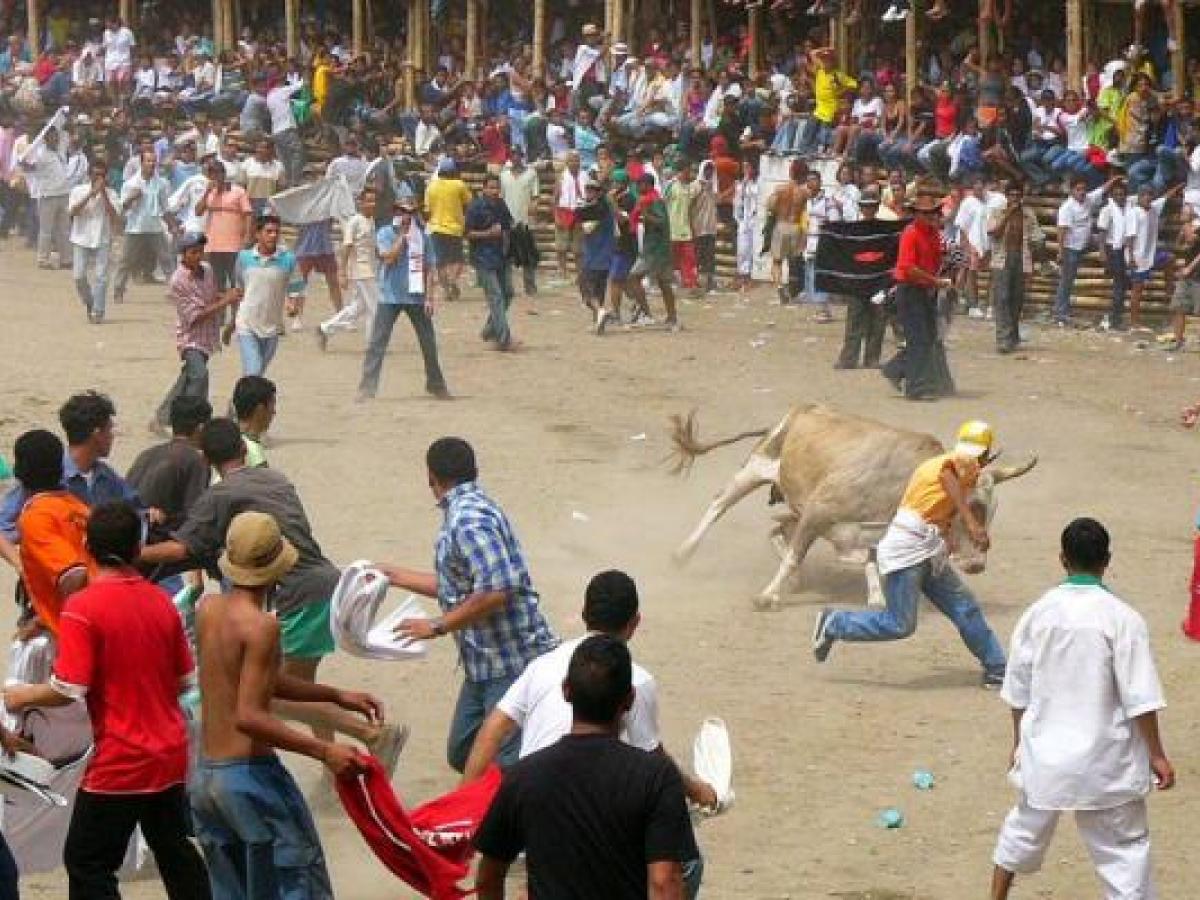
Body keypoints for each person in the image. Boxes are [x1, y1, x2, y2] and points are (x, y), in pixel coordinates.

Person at [138, 420, 405, 773]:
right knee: (298, 684)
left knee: (271, 695)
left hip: (297, 596)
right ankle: (334, 767)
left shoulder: (220, 495)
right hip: (328, 587)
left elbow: (180, 549)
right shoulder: (277, 479)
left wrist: (130, 553)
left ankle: (372, 735)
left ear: (205, 459)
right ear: (243, 448)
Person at [3, 501, 211, 900]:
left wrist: (24, 695)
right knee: (176, 853)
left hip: (121, 759)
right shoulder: (159, 601)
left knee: (87, 862)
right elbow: (184, 680)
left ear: (87, 546)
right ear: (137, 549)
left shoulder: (83, 607)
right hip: (168, 753)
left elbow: (69, 688)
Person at [463, 570, 715, 897]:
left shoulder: (523, 773)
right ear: (628, 700)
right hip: (614, 824)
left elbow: (489, 874)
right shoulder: (653, 766)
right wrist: (696, 790)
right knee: (686, 862)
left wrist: (461, 805)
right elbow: (664, 881)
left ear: (567, 692)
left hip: (539, 829)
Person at [188, 511, 380, 899]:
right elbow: (250, 715)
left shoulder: (208, 609)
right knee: (298, 883)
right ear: (278, 568)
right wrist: (324, 749)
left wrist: (334, 694)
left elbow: (256, 680)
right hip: (250, 781)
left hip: (206, 778)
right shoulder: (263, 626)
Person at [990, 518, 1173, 900]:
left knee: (1022, 831)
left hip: (1046, 759)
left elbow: (1018, 691)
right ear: (1107, 560)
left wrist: (1018, 744)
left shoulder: (1037, 614)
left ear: (1062, 558)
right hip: (1107, 765)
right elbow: (1141, 698)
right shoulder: (1124, 619)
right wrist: (1156, 754)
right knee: (1125, 855)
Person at [377, 437, 558, 772]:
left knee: (508, 763)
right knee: (464, 752)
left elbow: (496, 589)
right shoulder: (467, 511)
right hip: (484, 663)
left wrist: (437, 625)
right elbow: (462, 588)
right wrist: (393, 575)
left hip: (511, 661)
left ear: (431, 477)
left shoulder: (468, 519)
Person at [813, 421, 1008, 688]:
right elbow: (947, 477)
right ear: (985, 453)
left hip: (928, 549)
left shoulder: (957, 469)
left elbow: (941, 506)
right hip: (907, 550)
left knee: (966, 609)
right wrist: (972, 523)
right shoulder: (958, 464)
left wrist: (949, 539)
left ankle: (997, 668)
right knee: (899, 624)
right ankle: (836, 623)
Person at [358, 188, 450, 401]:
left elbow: (429, 268)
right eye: (402, 211)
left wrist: (429, 297)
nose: (407, 216)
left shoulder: (423, 236)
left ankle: (436, 384)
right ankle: (367, 388)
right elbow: (388, 258)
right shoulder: (384, 233)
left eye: (410, 211)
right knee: (377, 343)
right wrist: (402, 237)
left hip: (416, 297)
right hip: (389, 296)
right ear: (395, 212)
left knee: (428, 342)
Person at [10, 429, 95, 637]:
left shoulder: (36, 518)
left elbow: (74, 578)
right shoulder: (79, 508)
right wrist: (42, 618)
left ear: (19, 472)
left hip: (75, 636)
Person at [153, 232, 239, 431]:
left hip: (208, 336)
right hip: (190, 338)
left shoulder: (207, 270)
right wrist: (225, 301)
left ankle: (162, 416)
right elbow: (194, 317)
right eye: (193, 252)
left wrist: (227, 295)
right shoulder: (177, 281)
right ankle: (192, 420)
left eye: (200, 251)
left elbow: (211, 295)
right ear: (183, 254)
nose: (198, 256)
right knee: (199, 376)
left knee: (188, 377)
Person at [880, 192, 954, 400]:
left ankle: (896, 369)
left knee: (926, 339)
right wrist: (935, 282)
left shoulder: (933, 234)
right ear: (917, 215)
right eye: (926, 213)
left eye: (933, 213)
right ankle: (916, 388)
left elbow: (936, 260)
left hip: (925, 290)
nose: (931, 216)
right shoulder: (911, 233)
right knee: (919, 341)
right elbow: (907, 267)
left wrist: (939, 277)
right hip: (911, 290)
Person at [230, 215, 305, 376]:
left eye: (276, 232)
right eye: (268, 231)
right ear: (257, 234)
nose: (273, 235)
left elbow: (296, 288)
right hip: (247, 324)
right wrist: (231, 323)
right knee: (253, 371)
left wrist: (292, 305)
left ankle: (238, 400)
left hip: (272, 328)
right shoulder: (244, 257)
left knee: (257, 375)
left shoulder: (288, 259)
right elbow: (239, 290)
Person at [317, 189, 380, 349]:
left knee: (358, 308)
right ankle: (373, 343)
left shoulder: (371, 220)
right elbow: (347, 247)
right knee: (375, 307)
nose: (372, 204)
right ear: (361, 203)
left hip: (372, 269)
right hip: (362, 271)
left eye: (374, 201)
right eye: (369, 201)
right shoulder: (354, 221)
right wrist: (342, 272)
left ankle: (325, 328)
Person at [987, 181, 1045, 353]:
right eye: (1011, 195)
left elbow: (1037, 237)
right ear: (1006, 196)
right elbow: (994, 233)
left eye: (1017, 195)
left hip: (1021, 258)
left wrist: (1039, 257)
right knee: (1002, 298)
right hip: (1001, 259)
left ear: (1021, 196)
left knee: (1016, 299)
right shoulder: (998, 211)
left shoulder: (1028, 214)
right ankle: (1003, 339)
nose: (1015, 198)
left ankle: (1012, 336)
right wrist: (1007, 215)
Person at [834, 188, 888, 369]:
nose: (868, 210)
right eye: (865, 207)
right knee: (854, 322)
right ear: (860, 208)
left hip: (877, 282)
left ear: (877, 207)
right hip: (857, 282)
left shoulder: (884, 232)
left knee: (877, 322)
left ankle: (872, 359)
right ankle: (849, 358)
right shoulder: (853, 231)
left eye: (872, 206)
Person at [1053, 176, 1117, 326]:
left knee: (1107, 241)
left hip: (1086, 242)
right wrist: (1060, 251)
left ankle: (1111, 267)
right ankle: (1060, 311)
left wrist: (1114, 179)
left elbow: (1102, 189)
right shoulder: (1066, 208)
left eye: (1083, 189)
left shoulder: (1088, 199)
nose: (1082, 192)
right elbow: (1061, 231)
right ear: (1071, 190)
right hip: (1071, 247)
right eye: (1078, 189)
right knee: (1067, 280)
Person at [466, 173, 519, 351]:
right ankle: (504, 338)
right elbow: (467, 233)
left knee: (508, 293)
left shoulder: (501, 205)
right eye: (491, 187)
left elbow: (508, 225)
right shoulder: (475, 207)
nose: (494, 191)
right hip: (483, 257)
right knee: (496, 296)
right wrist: (487, 233)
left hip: (501, 256)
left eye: (497, 188)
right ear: (484, 188)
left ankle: (490, 329)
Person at [114, 149, 173, 304]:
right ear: (141, 163)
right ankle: (118, 289)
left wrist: (172, 225)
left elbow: (165, 207)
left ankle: (175, 290)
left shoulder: (160, 183)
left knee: (166, 259)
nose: (152, 164)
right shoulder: (130, 183)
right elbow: (122, 208)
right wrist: (131, 198)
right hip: (135, 227)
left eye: (154, 161)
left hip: (154, 226)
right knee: (126, 260)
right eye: (148, 161)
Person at [67, 158, 121, 324]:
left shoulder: (112, 194)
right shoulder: (77, 190)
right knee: (79, 276)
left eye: (102, 175)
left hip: (102, 238)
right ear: (89, 175)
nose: (99, 178)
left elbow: (115, 217)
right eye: (96, 174)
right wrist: (91, 194)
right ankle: (90, 300)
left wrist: (103, 194)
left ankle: (98, 310)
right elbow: (73, 212)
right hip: (81, 237)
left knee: (101, 277)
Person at [625, 173, 680, 330]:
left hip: (654, 249)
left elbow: (660, 221)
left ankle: (646, 313)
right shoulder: (653, 199)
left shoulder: (653, 200)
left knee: (633, 277)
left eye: (640, 184)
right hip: (661, 248)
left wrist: (645, 214)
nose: (637, 187)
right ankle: (672, 316)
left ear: (648, 185)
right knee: (664, 283)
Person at [1126, 184, 1183, 329]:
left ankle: (1168, 291)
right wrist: (1131, 258)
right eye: (1144, 195)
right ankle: (1134, 322)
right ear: (1139, 197)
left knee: (1169, 259)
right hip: (1138, 257)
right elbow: (1130, 238)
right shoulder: (1134, 213)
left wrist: (1181, 185)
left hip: (1151, 255)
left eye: (1150, 194)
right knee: (1137, 290)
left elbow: (1166, 196)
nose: (1147, 197)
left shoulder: (1153, 209)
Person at [195, 156, 253, 294]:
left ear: (224, 174)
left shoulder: (238, 191)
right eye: (212, 174)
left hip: (233, 244)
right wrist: (207, 192)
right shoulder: (209, 193)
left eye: (218, 173)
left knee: (236, 281)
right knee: (216, 282)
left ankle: (235, 314)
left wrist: (247, 236)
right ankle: (219, 314)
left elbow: (248, 214)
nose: (216, 176)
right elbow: (198, 211)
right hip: (213, 243)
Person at [424, 158, 473, 301]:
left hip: (435, 228)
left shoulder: (431, 186)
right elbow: (468, 204)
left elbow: (427, 212)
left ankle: (446, 289)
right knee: (457, 259)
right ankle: (452, 281)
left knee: (440, 262)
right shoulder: (459, 185)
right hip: (455, 228)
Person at [500, 147, 541, 297]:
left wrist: (533, 210)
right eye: (513, 155)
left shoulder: (531, 173)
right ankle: (507, 287)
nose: (515, 158)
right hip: (507, 220)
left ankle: (530, 287)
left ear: (522, 156)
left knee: (528, 256)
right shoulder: (503, 175)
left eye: (518, 155)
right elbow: (501, 197)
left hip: (525, 221)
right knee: (506, 256)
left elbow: (536, 197)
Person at [1097, 179, 1132, 330]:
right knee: (1119, 283)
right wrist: (1102, 251)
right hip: (1113, 249)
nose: (1119, 197)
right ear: (1112, 195)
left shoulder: (1129, 208)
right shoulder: (1107, 210)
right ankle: (1115, 317)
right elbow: (1102, 232)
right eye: (1116, 194)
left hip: (1125, 248)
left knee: (1123, 282)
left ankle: (1117, 315)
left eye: (1122, 194)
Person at [231, 375, 274, 468]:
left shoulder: (226, 439)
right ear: (260, 409)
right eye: (272, 406)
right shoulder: (255, 455)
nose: (274, 412)